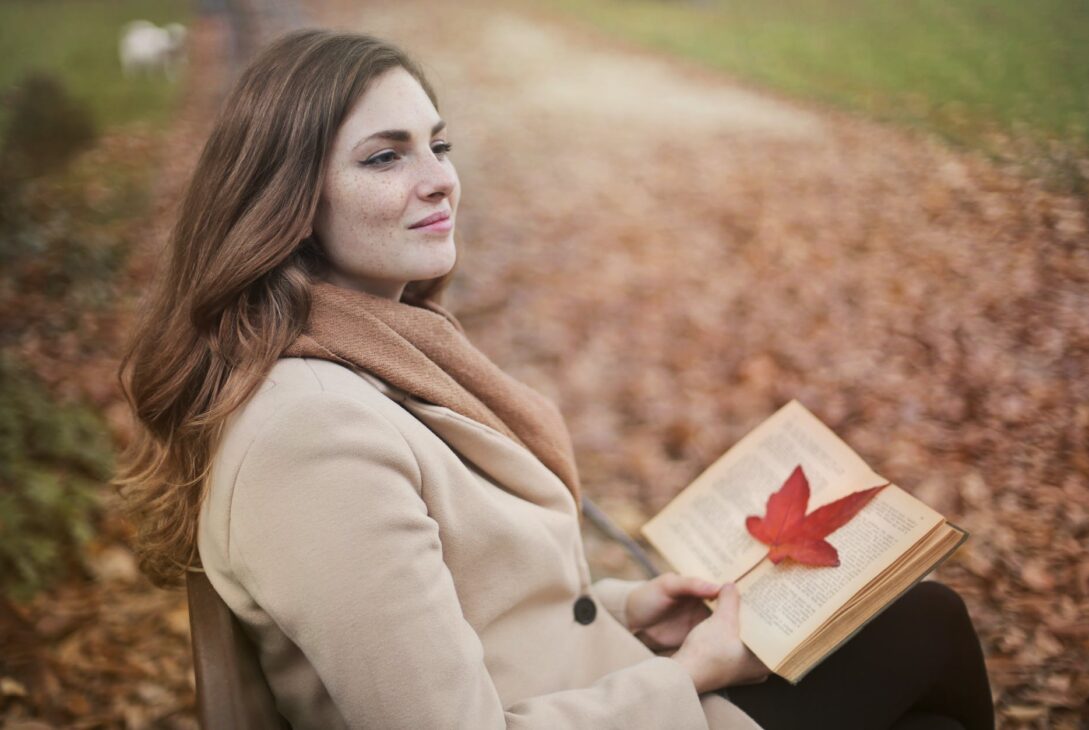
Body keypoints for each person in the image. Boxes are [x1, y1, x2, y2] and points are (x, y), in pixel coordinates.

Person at [115, 29, 995, 730]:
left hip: (590, 685)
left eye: (438, 144)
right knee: (928, 628)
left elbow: (463, 606)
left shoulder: (372, 352)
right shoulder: (307, 437)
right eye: (385, 157)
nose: (439, 181)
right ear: (285, 201)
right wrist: (691, 673)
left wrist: (624, 609)